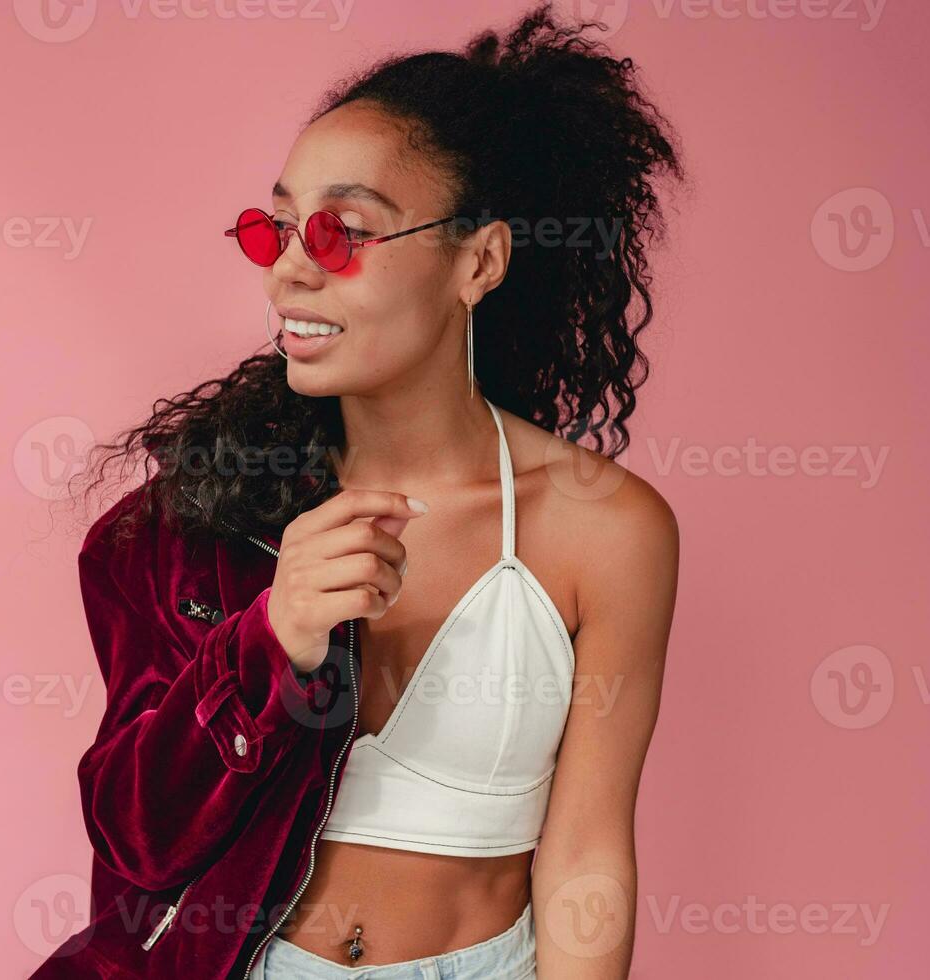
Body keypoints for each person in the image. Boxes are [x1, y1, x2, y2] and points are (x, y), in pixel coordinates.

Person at [36, 4, 682, 977]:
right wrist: (272, 633)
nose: (291, 271)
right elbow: (137, 831)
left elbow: (588, 851)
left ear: (479, 260)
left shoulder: (608, 528)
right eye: (277, 228)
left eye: (342, 234)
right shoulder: (196, 526)